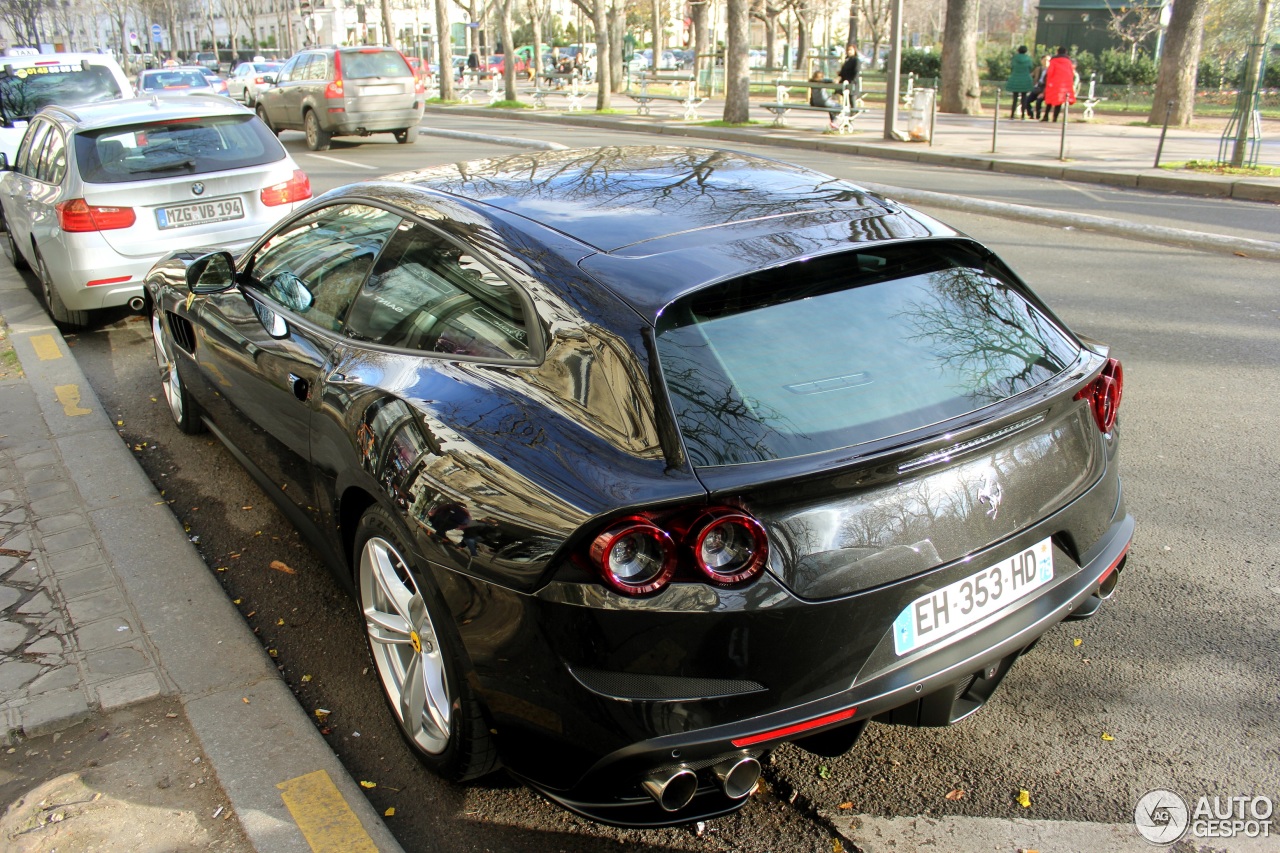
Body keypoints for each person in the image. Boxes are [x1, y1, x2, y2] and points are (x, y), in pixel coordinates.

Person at [1042, 46, 1078, 123]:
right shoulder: (1068, 62)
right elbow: (1070, 73)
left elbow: (1050, 72)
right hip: (1064, 85)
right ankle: (1055, 118)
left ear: (1057, 52)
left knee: (1050, 100)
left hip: (1053, 84)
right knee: (1059, 101)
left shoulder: (1053, 61)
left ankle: (1046, 116)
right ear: (1066, 53)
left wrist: (1048, 82)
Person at [1006, 45, 1034, 119]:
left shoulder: (1015, 58)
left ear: (1018, 50)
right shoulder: (1028, 59)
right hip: (1025, 79)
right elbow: (1030, 67)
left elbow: (1011, 67)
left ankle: (1012, 115)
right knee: (1024, 98)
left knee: (1015, 98)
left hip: (1015, 78)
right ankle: (1023, 115)